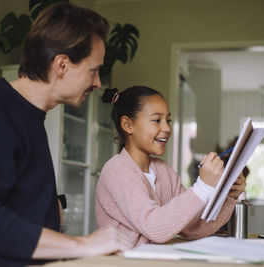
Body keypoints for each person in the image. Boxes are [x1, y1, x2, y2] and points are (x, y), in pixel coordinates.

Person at [0, 3, 132, 267]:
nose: (98, 83)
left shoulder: (29, 116)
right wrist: (82, 244)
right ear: (62, 64)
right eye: (93, 70)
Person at [96, 86, 246, 247]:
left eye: (168, 120)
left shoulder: (163, 170)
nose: (167, 128)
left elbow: (193, 228)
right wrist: (203, 187)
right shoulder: (118, 169)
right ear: (128, 125)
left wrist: (229, 195)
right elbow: (154, 228)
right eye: (156, 120)